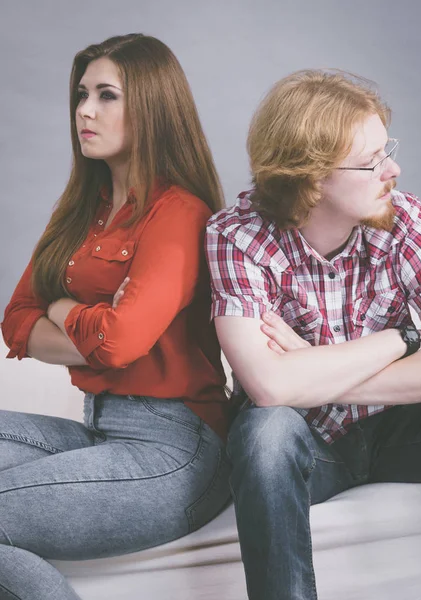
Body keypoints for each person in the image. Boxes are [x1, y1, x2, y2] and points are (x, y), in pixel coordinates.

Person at [1, 33, 231, 600]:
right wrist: (86, 319)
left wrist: (61, 305)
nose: (84, 111)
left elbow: (119, 343)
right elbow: (15, 320)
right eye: (82, 94)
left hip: (177, 451)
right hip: (99, 429)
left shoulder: (179, 212)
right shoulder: (84, 209)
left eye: (106, 96)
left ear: (151, 107)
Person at [205, 69, 421, 600]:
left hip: (397, 430)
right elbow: (270, 388)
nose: (394, 170)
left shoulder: (402, 221)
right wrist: (405, 339)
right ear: (311, 178)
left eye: (389, 150)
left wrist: (317, 367)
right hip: (312, 446)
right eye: (373, 161)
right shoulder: (236, 237)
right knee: (265, 433)